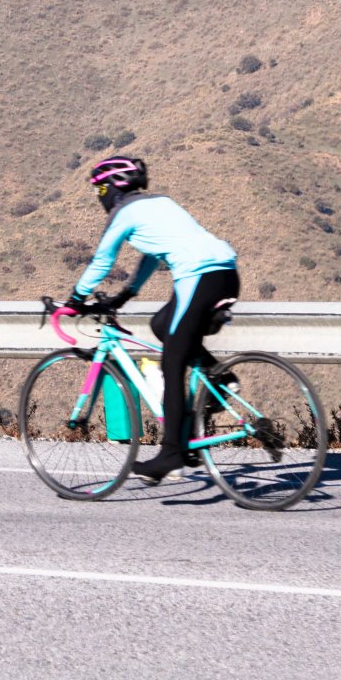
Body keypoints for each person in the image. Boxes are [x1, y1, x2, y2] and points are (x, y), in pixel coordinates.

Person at [65, 155, 241, 483]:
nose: (99, 196)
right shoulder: (160, 203)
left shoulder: (124, 214)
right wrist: (127, 293)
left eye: (99, 189)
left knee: (172, 364)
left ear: (112, 188)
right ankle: (221, 377)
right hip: (226, 274)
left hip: (198, 278)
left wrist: (76, 299)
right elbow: (151, 254)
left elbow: (102, 260)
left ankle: (171, 456)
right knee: (161, 326)